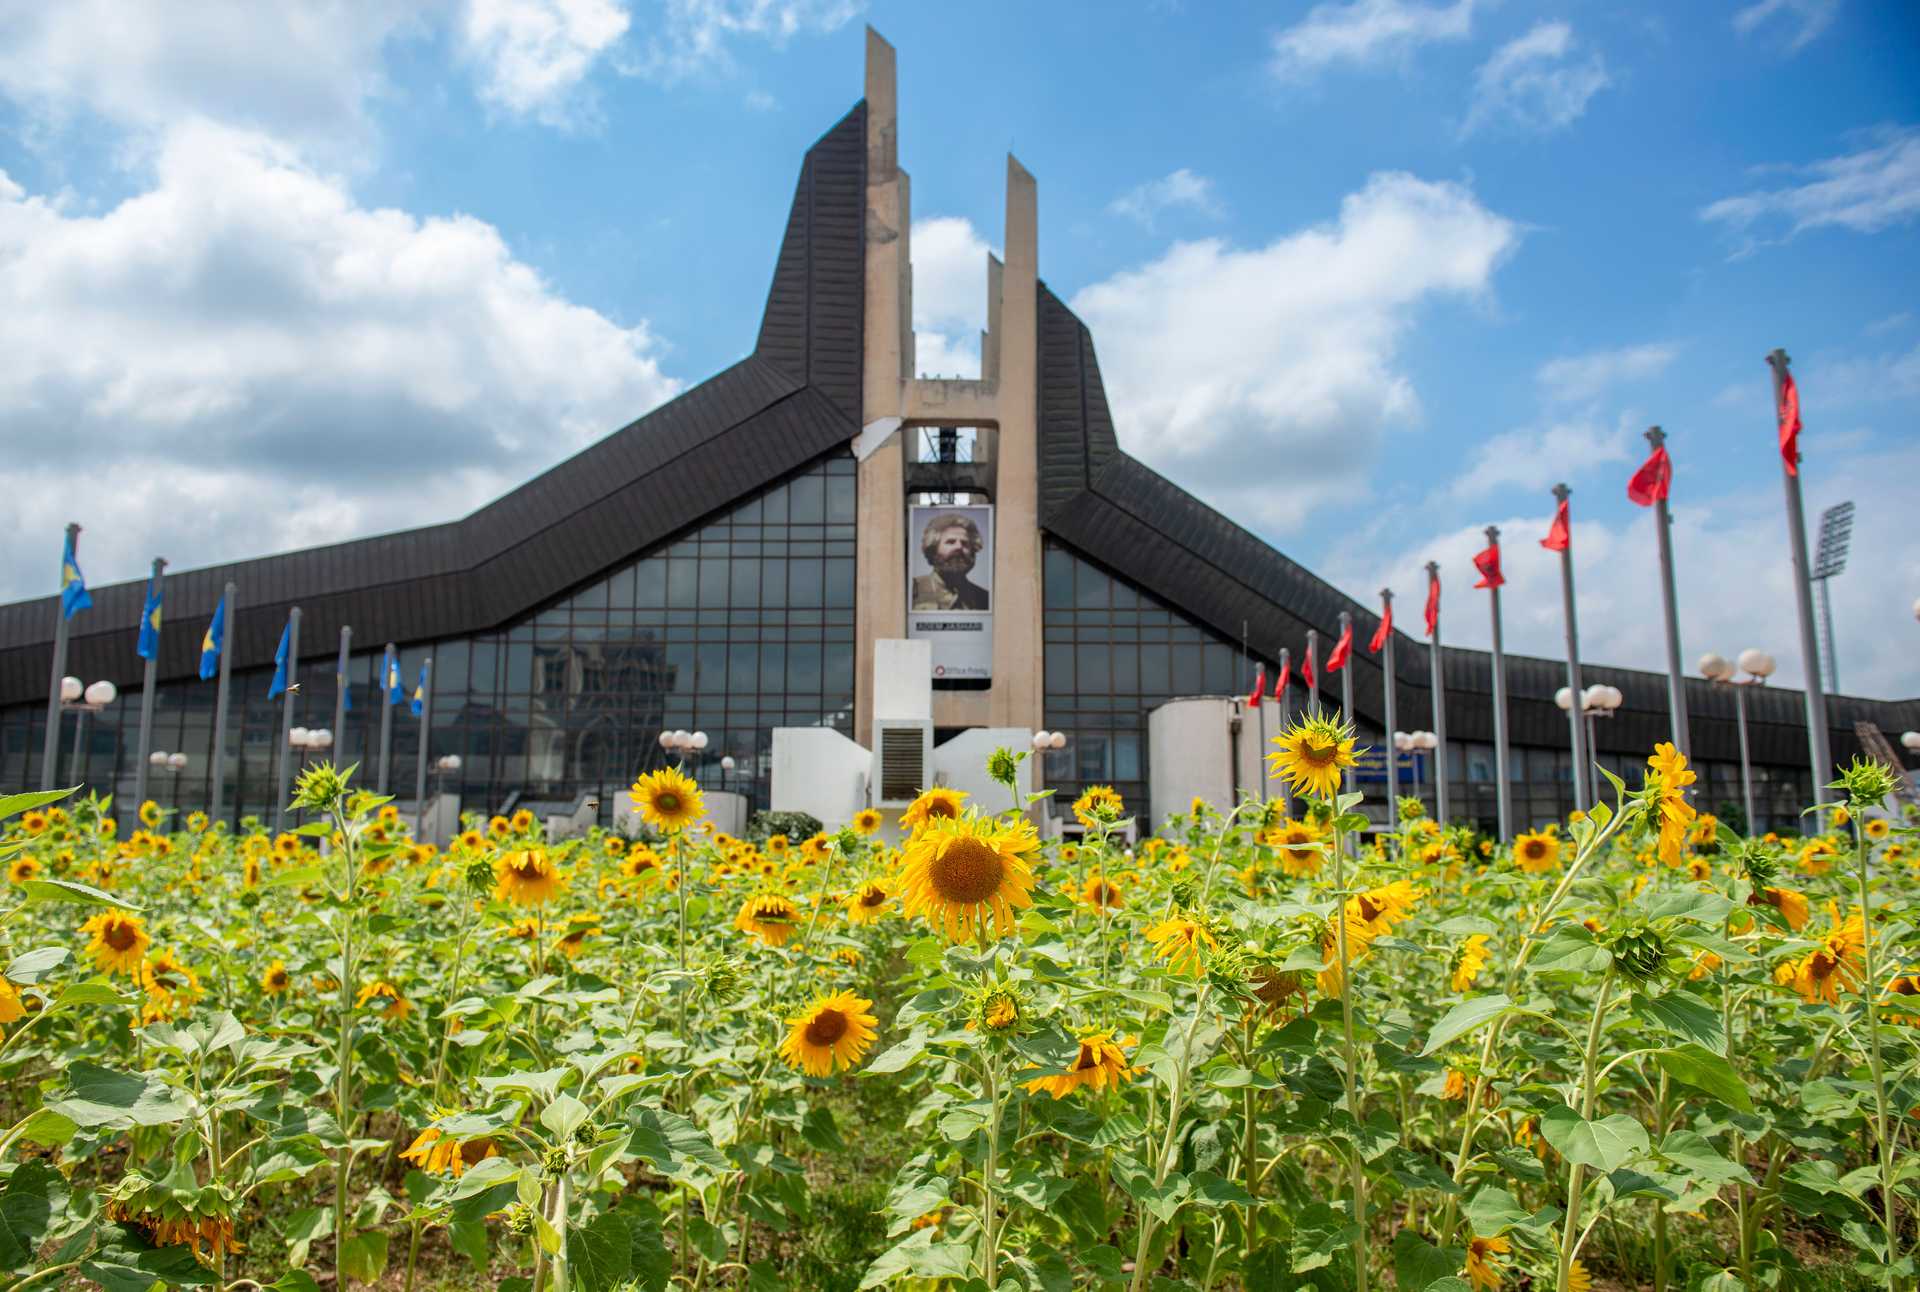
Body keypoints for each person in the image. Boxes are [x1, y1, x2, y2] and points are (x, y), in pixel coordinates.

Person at [911, 512, 989, 611]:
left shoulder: (985, 598)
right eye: (951, 542)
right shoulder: (911, 589)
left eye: (965, 543)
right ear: (933, 550)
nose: (959, 547)